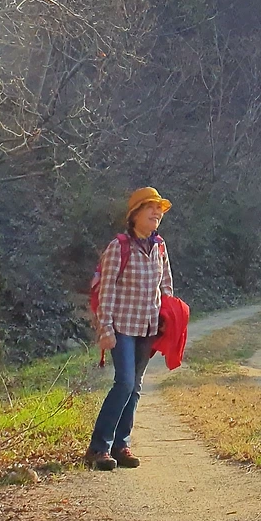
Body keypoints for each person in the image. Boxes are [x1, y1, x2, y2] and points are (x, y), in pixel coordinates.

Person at [85, 186, 175, 471]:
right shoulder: (119, 247)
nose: (156, 213)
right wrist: (105, 329)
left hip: (148, 327)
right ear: (135, 214)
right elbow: (107, 290)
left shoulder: (159, 246)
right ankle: (99, 448)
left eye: (159, 209)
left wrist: (170, 318)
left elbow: (166, 285)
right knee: (124, 383)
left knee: (135, 387)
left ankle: (121, 445)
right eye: (151, 207)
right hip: (122, 326)